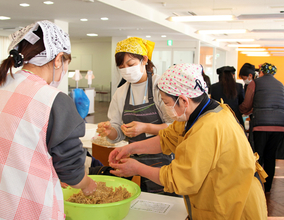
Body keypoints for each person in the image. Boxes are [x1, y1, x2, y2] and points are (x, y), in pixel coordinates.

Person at [0, 20, 96, 219]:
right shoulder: (52, 99)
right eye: (65, 64)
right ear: (58, 59)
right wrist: (88, 185)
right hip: (17, 210)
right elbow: (71, 170)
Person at [108, 63, 267, 220]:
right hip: (224, 195)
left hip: (234, 205)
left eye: (167, 103)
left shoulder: (207, 127)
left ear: (183, 100)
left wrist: (137, 168)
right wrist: (131, 149)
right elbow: (167, 139)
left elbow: (179, 179)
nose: (167, 108)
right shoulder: (198, 113)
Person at [97, 37, 174, 193]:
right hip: (133, 158)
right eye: (121, 67)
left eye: (130, 65)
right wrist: (109, 131)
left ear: (144, 60)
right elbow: (117, 133)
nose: (126, 70)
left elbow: (175, 129)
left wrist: (146, 127)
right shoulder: (121, 92)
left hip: (163, 160)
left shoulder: (160, 87)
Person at [239, 62, 284, 193]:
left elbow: (247, 105)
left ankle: (257, 185)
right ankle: (268, 187)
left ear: (261, 72)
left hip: (261, 126)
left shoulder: (255, 83)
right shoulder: (281, 85)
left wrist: (239, 110)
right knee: (271, 156)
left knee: (258, 155)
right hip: (280, 126)